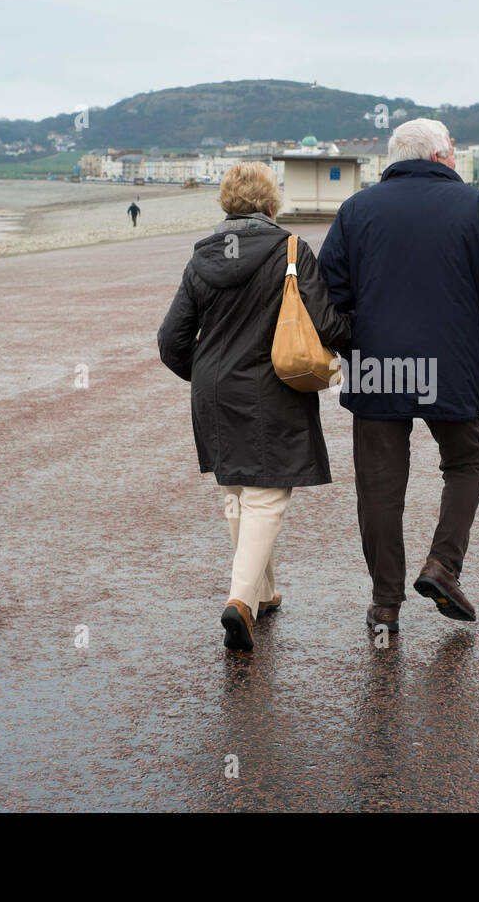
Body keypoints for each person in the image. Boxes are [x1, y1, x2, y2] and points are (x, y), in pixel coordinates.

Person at [318, 118, 479, 635]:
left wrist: (353, 344)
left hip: (376, 368)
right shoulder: (478, 208)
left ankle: (385, 603)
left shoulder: (356, 210)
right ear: (442, 156)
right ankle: (442, 564)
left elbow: (328, 293)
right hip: (451, 366)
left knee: (379, 487)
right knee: (467, 463)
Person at [157, 162, 351, 653]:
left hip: (213, 391)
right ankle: (240, 600)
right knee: (266, 495)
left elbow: (170, 340)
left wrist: (204, 375)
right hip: (271, 388)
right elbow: (327, 323)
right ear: (271, 205)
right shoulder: (290, 250)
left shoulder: (201, 258)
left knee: (238, 491)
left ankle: (262, 593)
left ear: (226, 203)